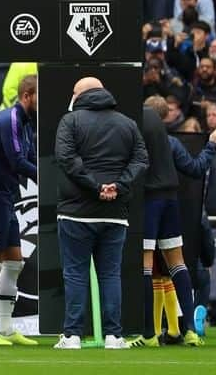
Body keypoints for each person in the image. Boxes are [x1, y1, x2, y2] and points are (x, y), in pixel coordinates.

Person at [53, 76, 148, 350]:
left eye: (73, 91)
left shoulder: (69, 121)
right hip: (114, 212)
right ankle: (113, 336)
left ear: (81, 94)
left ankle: (71, 336)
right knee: (110, 274)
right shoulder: (127, 123)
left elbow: (66, 159)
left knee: (75, 273)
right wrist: (119, 186)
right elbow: (141, 159)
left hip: (76, 212)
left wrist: (96, 187)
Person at [131, 95, 216, 347]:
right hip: (171, 201)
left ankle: (148, 334)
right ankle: (189, 330)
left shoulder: (138, 140)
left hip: (148, 202)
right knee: (177, 264)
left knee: (146, 266)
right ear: (166, 117)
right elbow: (195, 168)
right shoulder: (171, 143)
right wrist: (212, 144)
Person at [0, 73, 38, 345]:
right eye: (40, 96)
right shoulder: (10, 119)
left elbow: (28, 158)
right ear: (27, 95)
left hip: (8, 197)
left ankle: (5, 329)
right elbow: (17, 161)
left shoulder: (26, 123)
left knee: (14, 262)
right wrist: (46, 177)